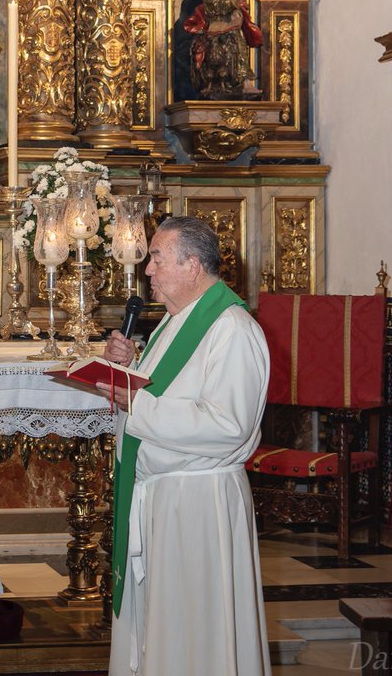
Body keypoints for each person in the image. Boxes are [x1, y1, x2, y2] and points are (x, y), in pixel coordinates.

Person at [99, 216, 271, 676]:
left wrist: (134, 400)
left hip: (198, 505)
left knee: (196, 633)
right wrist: (129, 368)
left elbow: (227, 425)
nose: (148, 271)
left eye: (157, 259)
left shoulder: (232, 328)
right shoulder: (176, 324)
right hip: (165, 500)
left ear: (192, 265)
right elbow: (169, 394)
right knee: (166, 625)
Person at [183, 0, 263, 99]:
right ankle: (213, 84)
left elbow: (242, 7)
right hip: (215, 26)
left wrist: (237, 12)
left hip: (232, 27)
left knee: (239, 44)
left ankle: (246, 83)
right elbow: (214, 7)